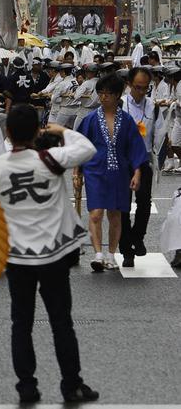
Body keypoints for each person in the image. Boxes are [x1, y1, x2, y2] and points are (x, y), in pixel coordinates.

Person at [0, 105, 99, 405]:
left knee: (21, 323)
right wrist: (61, 130)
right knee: (61, 322)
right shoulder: (51, 159)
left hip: (17, 257)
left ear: (8, 132)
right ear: (37, 132)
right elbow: (87, 148)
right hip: (53, 255)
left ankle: (26, 387)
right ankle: (71, 385)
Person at [77, 73, 148, 272]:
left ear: (117, 95)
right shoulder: (90, 119)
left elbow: (135, 148)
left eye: (107, 93)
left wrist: (137, 173)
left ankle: (111, 254)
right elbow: (79, 147)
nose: (103, 97)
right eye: (100, 93)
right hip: (95, 171)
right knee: (96, 213)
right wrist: (77, 173)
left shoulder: (127, 121)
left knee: (115, 215)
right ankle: (98, 254)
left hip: (119, 172)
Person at [119, 67, 166, 266]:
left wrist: (158, 157)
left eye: (145, 88)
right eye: (137, 87)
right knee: (122, 205)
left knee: (144, 202)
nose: (140, 92)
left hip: (144, 160)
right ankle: (126, 249)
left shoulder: (153, 107)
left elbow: (160, 133)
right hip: (123, 160)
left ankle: (138, 237)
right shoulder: (120, 104)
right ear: (129, 84)